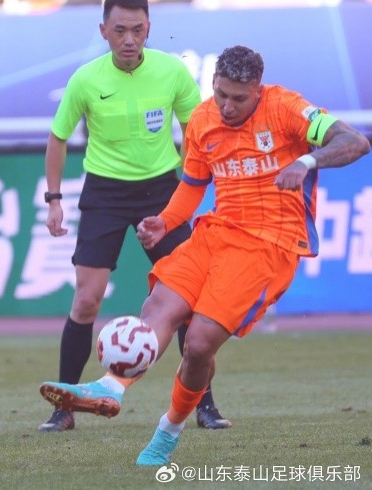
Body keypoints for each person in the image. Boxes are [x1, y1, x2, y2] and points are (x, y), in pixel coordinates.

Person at [39, 44, 371, 464]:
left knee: (197, 345)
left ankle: (169, 429)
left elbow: (355, 142)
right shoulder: (202, 119)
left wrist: (305, 161)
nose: (227, 106)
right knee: (158, 305)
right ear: (212, 84)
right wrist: (165, 220)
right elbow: (193, 185)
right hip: (215, 232)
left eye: (239, 98)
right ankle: (110, 387)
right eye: (221, 94)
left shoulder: (286, 108)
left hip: (269, 244)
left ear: (258, 89)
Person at [39, 0, 230, 433]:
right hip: (104, 193)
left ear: (149, 28)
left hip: (161, 193)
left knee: (187, 302)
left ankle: (204, 406)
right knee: (87, 300)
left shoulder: (172, 72)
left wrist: (199, 187)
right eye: (120, 30)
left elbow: (198, 134)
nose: (129, 39)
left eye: (137, 30)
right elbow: (57, 137)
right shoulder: (85, 79)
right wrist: (54, 199)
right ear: (103, 30)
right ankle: (64, 408)